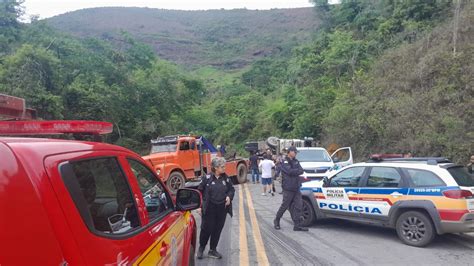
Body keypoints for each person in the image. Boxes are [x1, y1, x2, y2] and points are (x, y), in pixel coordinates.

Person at [197, 157, 235, 259]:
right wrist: (199, 207)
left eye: (224, 166)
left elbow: (231, 189)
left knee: (217, 229)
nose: (224, 168)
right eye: (222, 167)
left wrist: (229, 197)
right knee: (206, 229)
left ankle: (212, 250)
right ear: (215, 168)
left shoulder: (226, 178)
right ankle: (201, 248)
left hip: (221, 209)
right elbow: (199, 192)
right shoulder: (207, 178)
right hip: (209, 208)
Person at [273, 146, 308, 231]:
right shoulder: (285, 162)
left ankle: (297, 225)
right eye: (295, 152)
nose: (296, 154)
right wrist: (296, 171)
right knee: (284, 206)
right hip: (288, 188)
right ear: (290, 152)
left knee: (299, 206)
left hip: (296, 187)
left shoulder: (296, 161)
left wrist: (295, 171)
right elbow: (290, 171)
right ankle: (277, 220)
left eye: (296, 152)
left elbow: (301, 170)